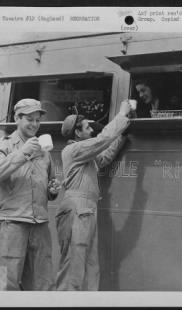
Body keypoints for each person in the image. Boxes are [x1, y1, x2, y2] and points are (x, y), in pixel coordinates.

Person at [0, 98, 61, 291]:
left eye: (37, 120)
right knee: (4, 285)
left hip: (40, 225)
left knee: (43, 284)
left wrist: (52, 190)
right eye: (29, 119)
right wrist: (23, 153)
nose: (35, 124)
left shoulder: (45, 151)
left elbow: (49, 182)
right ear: (17, 118)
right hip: (12, 224)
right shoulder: (4, 145)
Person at [56, 100, 132, 291]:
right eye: (87, 127)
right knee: (73, 267)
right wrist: (122, 115)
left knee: (91, 267)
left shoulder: (85, 154)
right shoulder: (74, 149)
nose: (91, 130)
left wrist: (121, 137)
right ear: (77, 133)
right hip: (78, 210)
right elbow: (102, 140)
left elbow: (104, 157)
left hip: (86, 211)